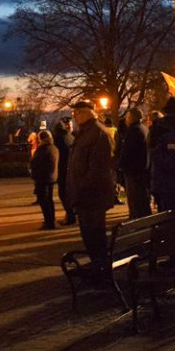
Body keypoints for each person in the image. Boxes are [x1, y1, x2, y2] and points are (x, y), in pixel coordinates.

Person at [66, 100, 116, 277]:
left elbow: (98, 169)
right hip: (86, 196)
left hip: (92, 196)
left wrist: (81, 187)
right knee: (90, 235)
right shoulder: (86, 132)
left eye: (77, 113)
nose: (74, 117)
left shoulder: (97, 133)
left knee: (94, 235)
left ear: (87, 113)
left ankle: (100, 269)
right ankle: (97, 266)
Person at [118, 107, 151, 219]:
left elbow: (128, 150)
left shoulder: (133, 131)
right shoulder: (144, 129)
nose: (126, 120)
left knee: (134, 197)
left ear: (132, 117)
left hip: (133, 169)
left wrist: (121, 165)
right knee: (142, 196)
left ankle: (136, 218)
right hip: (142, 168)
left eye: (127, 117)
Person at [30, 130, 58, 230]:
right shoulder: (53, 147)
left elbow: (35, 163)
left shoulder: (42, 149)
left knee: (44, 201)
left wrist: (32, 170)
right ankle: (51, 219)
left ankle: (49, 222)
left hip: (42, 178)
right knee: (49, 200)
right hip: (51, 177)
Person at [52, 116, 76, 225]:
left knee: (63, 193)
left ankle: (70, 215)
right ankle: (71, 214)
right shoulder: (71, 137)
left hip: (63, 169)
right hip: (71, 169)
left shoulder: (59, 139)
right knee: (69, 193)